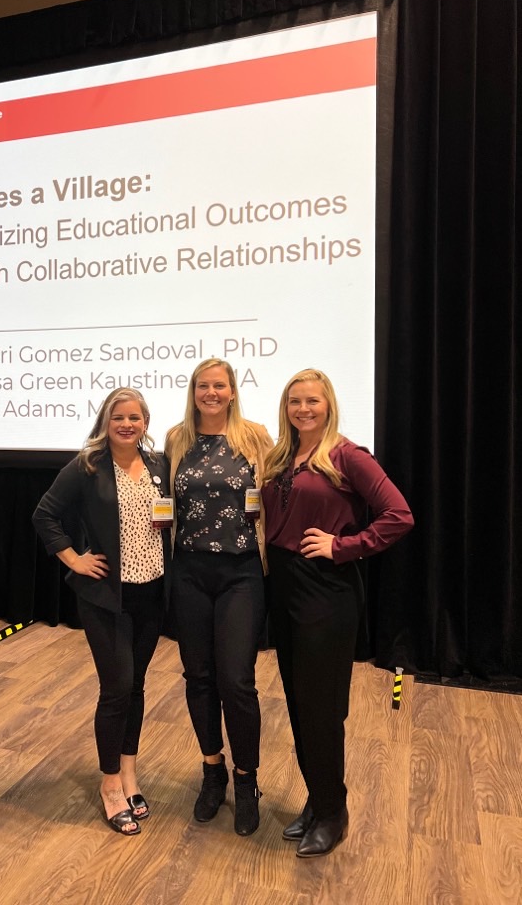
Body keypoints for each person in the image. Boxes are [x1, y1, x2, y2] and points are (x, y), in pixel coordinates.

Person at [261, 368, 414, 858]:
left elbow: (399, 515)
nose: (303, 409)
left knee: (322, 708)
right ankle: (317, 798)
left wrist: (345, 546)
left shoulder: (348, 455)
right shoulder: (283, 456)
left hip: (325, 591)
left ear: (328, 405)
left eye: (313, 401)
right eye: (294, 402)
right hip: (283, 587)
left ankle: (334, 813)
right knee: (299, 702)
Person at [32, 388, 171, 836]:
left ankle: (130, 772)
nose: (127, 424)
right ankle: (110, 783)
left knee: (136, 687)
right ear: (105, 422)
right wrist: (74, 559)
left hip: (150, 593)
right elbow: (44, 515)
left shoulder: (158, 466)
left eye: (135, 417)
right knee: (117, 687)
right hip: (106, 598)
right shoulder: (88, 465)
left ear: (146, 422)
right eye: (118, 417)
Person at [165, 358, 272, 836]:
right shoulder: (176, 439)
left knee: (237, 680)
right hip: (189, 571)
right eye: (203, 386)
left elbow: (277, 494)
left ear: (232, 391)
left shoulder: (255, 436)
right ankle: (213, 770)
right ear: (194, 391)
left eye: (219, 386)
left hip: (241, 572)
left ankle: (246, 780)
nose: (211, 393)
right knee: (199, 676)